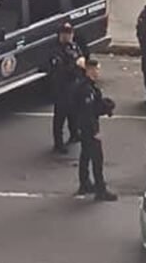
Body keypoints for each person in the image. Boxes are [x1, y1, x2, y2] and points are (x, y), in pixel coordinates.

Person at [73, 59, 118, 202]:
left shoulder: (88, 86)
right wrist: (94, 131)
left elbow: (94, 107)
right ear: (89, 70)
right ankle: (100, 190)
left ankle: (85, 183)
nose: (98, 72)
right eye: (96, 69)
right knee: (97, 158)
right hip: (89, 128)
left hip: (85, 127)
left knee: (86, 154)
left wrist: (105, 107)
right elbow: (87, 112)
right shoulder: (86, 89)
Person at [49, 23, 86, 153]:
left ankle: (74, 133)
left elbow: (81, 56)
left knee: (74, 113)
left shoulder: (74, 46)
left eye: (69, 33)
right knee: (60, 116)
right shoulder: (56, 51)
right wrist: (75, 64)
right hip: (62, 87)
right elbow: (60, 70)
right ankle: (58, 143)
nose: (68, 36)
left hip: (75, 85)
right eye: (65, 33)